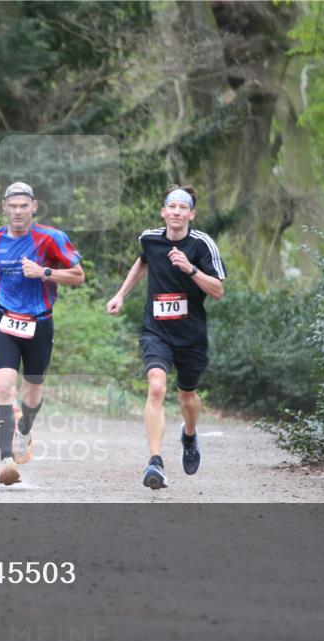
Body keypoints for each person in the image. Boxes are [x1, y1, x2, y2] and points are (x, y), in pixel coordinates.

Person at [106, 184, 225, 489]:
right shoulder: (150, 239)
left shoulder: (202, 245)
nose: (176, 212)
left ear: (191, 214)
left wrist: (190, 269)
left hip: (191, 334)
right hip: (156, 330)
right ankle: (155, 462)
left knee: (187, 397)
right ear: (163, 212)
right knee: (156, 387)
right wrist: (120, 294)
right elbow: (143, 262)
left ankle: (189, 435)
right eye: (172, 206)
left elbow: (218, 290)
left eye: (183, 208)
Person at [0, 182, 85, 485]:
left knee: (32, 392)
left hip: (40, 324)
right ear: (4, 208)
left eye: (24, 206)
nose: (18, 211)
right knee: (3, 387)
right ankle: (6, 460)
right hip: (5, 321)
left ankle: (25, 428)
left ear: (34, 207)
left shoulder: (51, 238)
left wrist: (44, 272)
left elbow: (78, 276)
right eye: (13, 206)